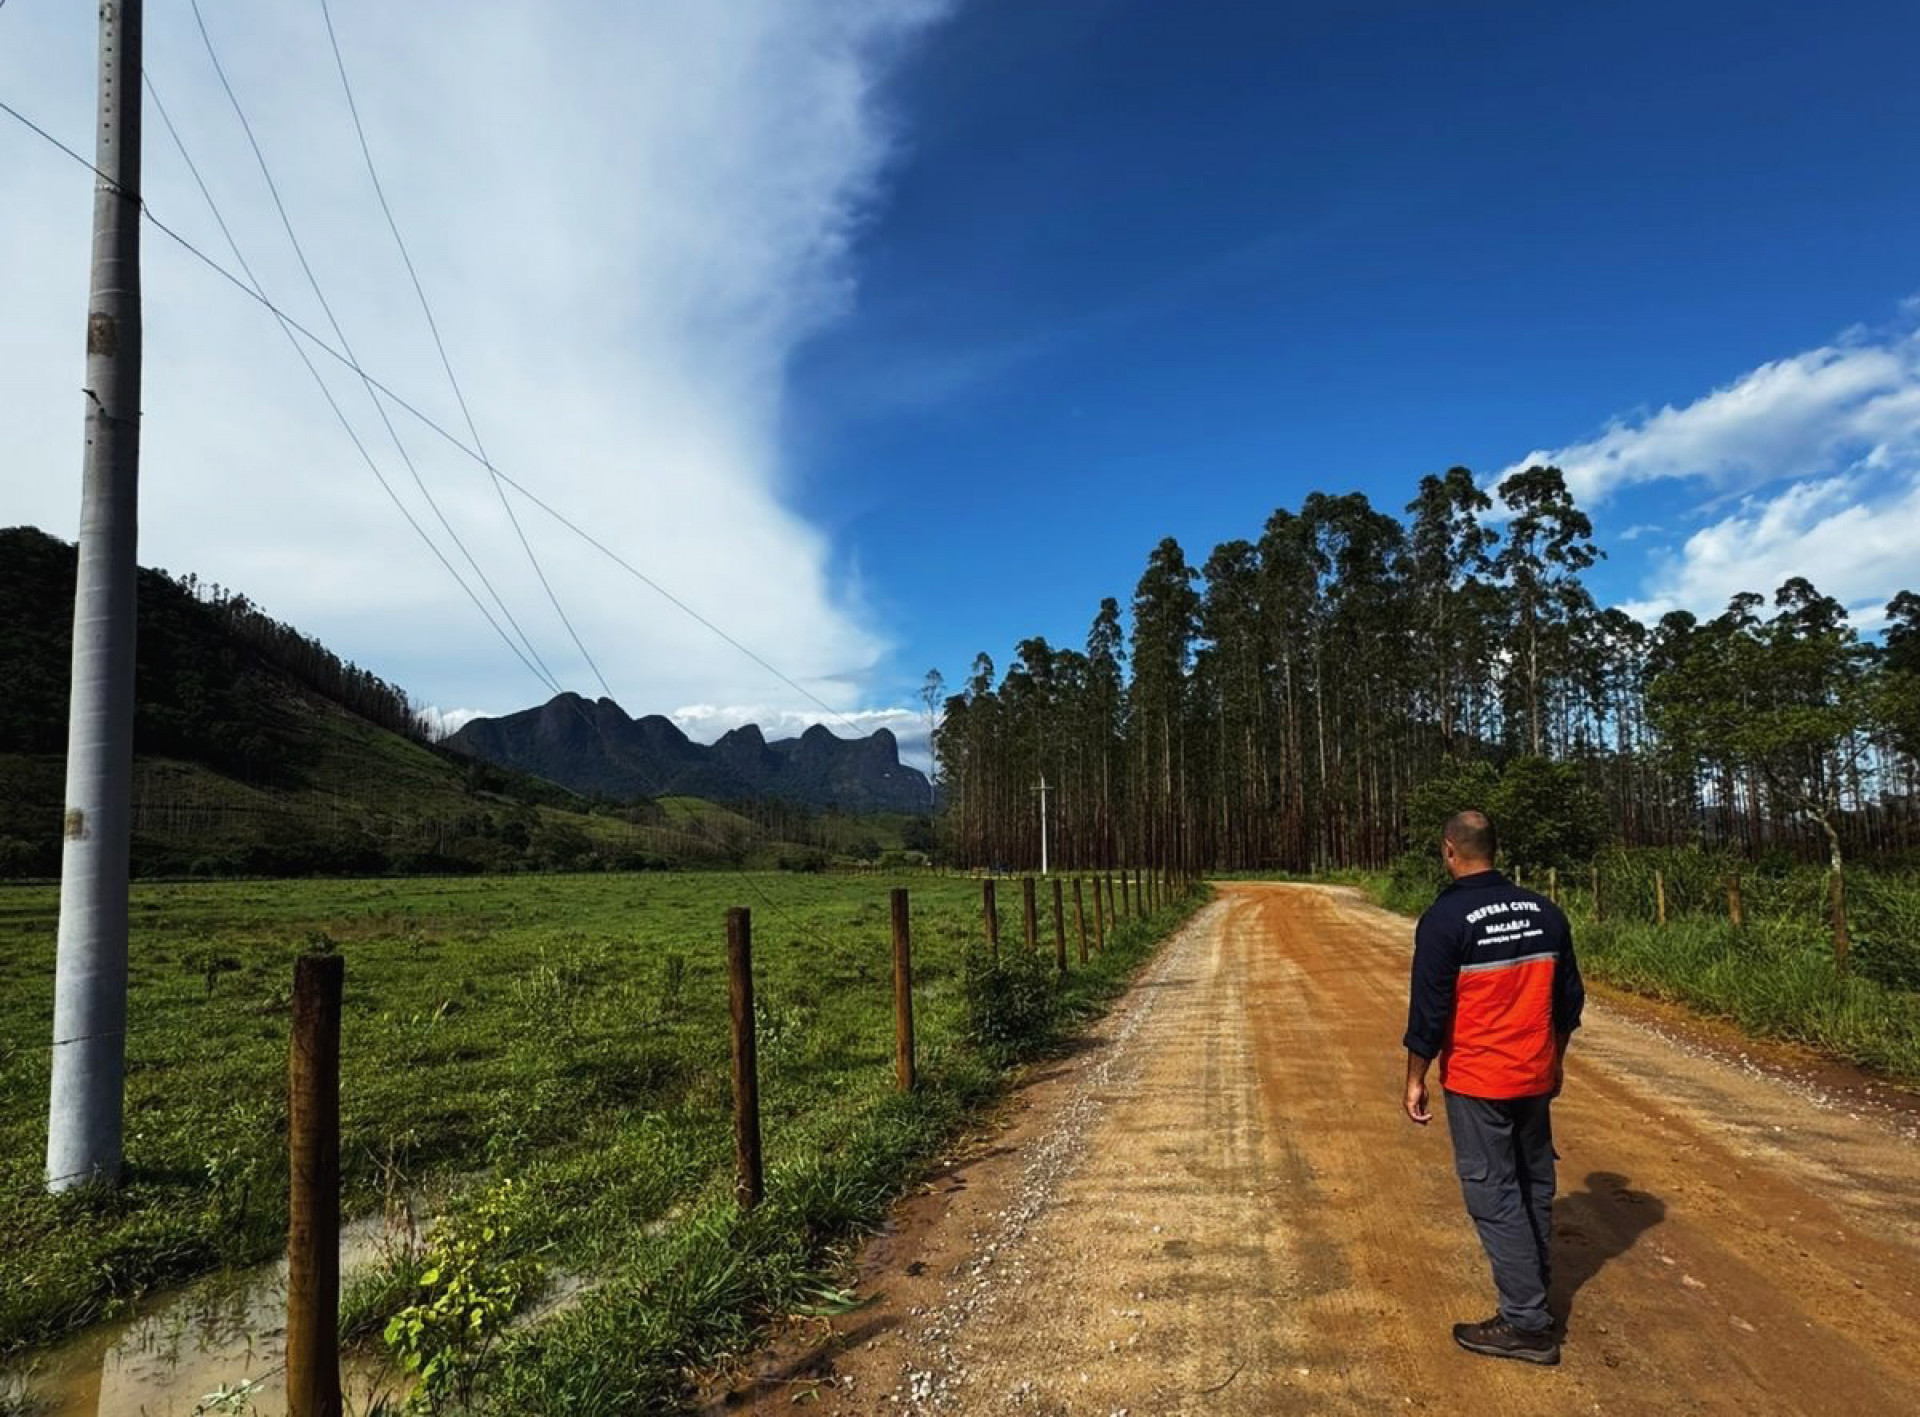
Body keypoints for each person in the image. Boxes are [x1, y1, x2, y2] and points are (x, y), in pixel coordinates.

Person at [1402, 810, 1584, 1366]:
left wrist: (1415, 1078)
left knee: (1493, 1193)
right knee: (1533, 1182)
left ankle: (1526, 1324)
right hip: (1533, 1073)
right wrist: (1554, 1063)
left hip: (1480, 1079)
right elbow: (1568, 1004)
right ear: (1494, 850)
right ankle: (1535, 1290)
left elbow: (1429, 1013)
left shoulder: (1445, 919)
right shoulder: (1545, 912)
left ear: (1449, 852)